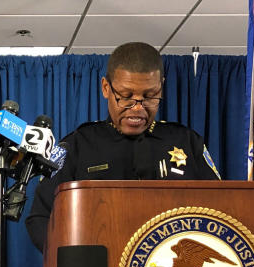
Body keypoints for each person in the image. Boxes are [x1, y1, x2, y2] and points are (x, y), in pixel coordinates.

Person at [25, 41, 220, 251]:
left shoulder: (187, 142)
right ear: (106, 88)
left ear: (161, 87)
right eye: (126, 97)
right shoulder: (76, 146)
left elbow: (221, 210)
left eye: (149, 96)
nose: (137, 108)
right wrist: (74, 262)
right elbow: (40, 218)